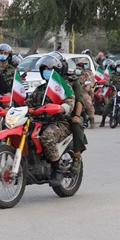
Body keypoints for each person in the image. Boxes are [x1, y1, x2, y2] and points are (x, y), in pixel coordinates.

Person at [25, 54, 75, 187]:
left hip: (59, 123)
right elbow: (27, 103)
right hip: (38, 122)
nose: (46, 71)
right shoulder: (40, 89)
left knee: (47, 137)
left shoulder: (63, 87)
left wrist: (61, 108)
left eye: (49, 69)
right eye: (44, 69)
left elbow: (69, 103)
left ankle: (56, 170)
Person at [75, 60, 96, 129]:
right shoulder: (73, 74)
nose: (78, 70)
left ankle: (92, 121)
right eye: (77, 68)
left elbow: (90, 81)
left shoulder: (86, 74)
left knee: (89, 105)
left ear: (82, 69)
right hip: (74, 92)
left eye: (79, 69)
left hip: (83, 92)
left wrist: (88, 86)